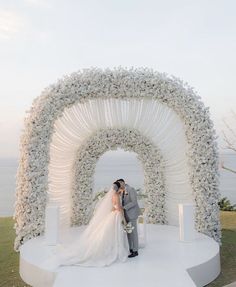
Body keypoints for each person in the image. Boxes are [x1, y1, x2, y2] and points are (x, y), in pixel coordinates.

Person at [40, 181, 129, 270]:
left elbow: (113, 206)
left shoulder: (113, 196)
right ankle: (115, 249)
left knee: (110, 233)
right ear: (118, 188)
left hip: (113, 214)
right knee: (114, 233)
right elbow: (118, 207)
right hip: (116, 215)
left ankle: (114, 247)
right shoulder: (117, 196)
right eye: (121, 186)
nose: (122, 187)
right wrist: (124, 217)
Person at [117, 178, 141, 258]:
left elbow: (134, 202)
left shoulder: (131, 189)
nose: (120, 185)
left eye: (120, 183)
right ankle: (131, 248)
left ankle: (135, 250)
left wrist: (124, 207)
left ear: (123, 182)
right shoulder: (122, 191)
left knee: (134, 233)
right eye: (118, 184)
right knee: (128, 232)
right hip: (125, 215)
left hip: (132, 214)